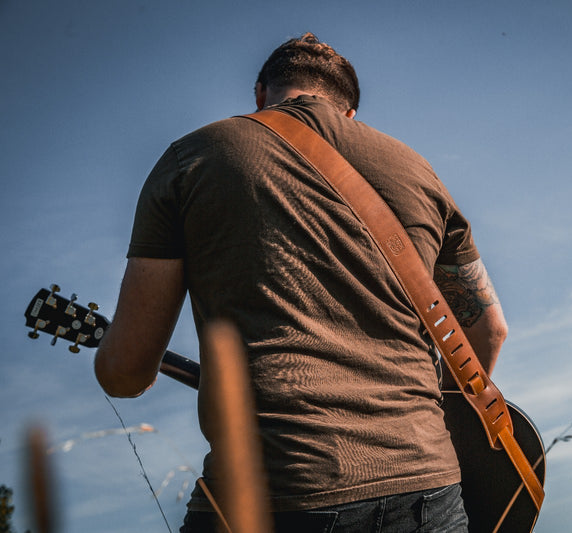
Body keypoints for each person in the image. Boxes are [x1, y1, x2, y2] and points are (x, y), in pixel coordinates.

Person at [95, 33, 508, 532]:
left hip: (277, 493)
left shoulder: (194, 157)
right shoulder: (420, 172)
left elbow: (125, 372)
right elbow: (489, 330)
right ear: (349, 110)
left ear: (260, 93)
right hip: (430, 489)